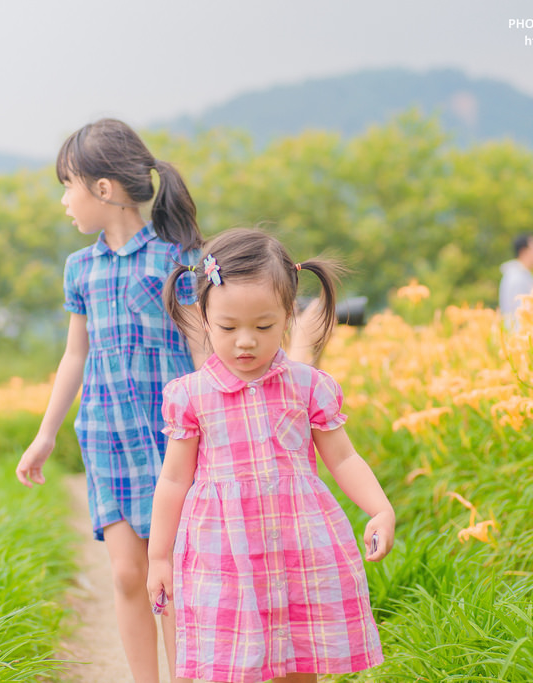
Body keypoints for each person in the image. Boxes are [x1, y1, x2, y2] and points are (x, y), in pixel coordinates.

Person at [147, 228, 395, 683]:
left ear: (288, 316)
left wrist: (379, 508)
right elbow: (174, 480)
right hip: (223, 554)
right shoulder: (191, 396)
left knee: (300, 661)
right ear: (204, 317)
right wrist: (159, 557)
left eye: (263, 326)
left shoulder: (309, 386)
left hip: (298, 549)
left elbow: (343, 459)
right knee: (229, 665)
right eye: (228, 327)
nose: (246, 341)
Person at [15, 118, 206, 683]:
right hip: (106, 435)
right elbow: (75, 356)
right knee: (126, 574)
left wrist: (218, 418)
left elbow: (200, 346)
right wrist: (45, 433)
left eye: (67, 186)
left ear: (104, 189)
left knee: (170, 572)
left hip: (170, 439)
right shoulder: (81, 268)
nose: (64, 202)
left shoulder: (174, 261)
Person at [499, 233, 533, 326]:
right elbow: (520, 312)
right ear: (524, 251)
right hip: (522, 335)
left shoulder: (521, 274)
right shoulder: (517, 277)